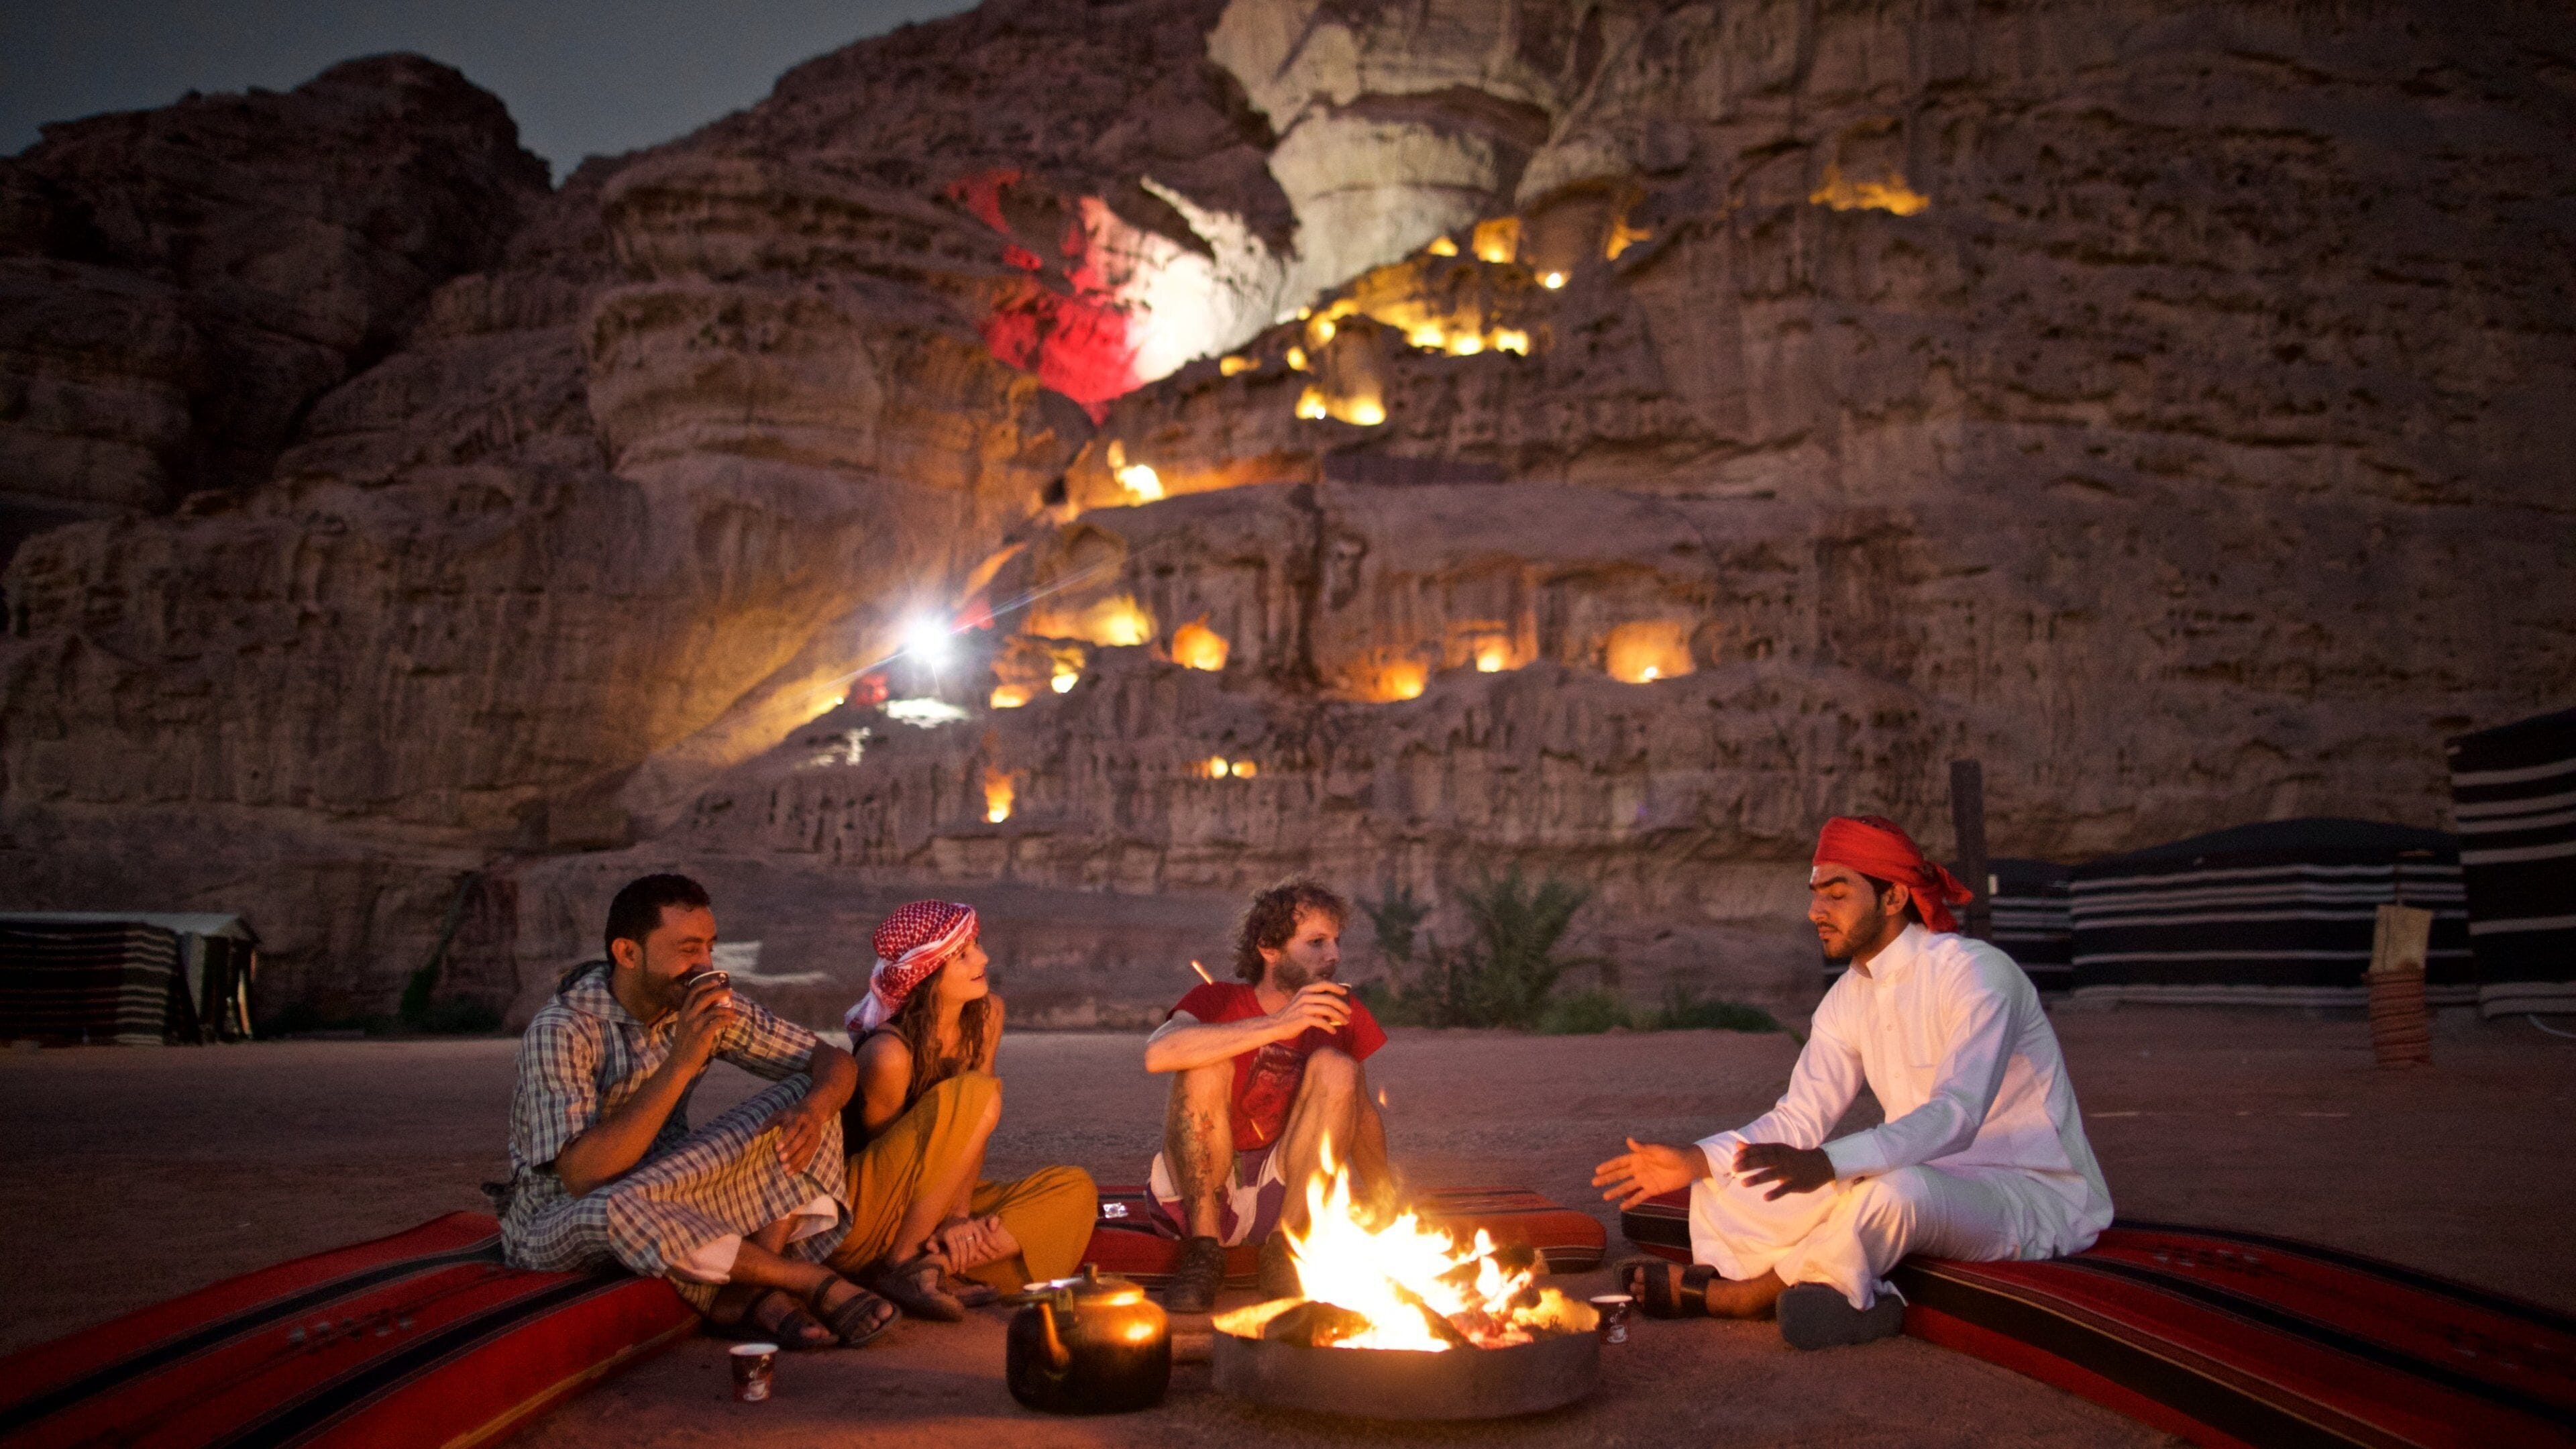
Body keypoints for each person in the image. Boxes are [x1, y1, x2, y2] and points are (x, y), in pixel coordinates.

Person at [1594, 816, 2114, 1350]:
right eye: (1816, 894)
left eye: (1837, 895)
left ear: (1893, 898)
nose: (1815, 912)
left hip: (2029, 1190)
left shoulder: (1977, 974)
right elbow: (1799, 1117)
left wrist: (1829, 1164)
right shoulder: (1849, 996)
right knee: (1736, 1187)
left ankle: (1743, 1296)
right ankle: (1847, 1286)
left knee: (1891, 1190)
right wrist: (1698, 1160)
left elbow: (1957, 1113)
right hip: (1926, 1174)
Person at [497, 874, 896, 1350]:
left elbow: (832, 1060)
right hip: (561, 1215)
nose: (705, 964)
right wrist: (681, 1060)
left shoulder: (701, 1003)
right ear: (627, 954)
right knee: (616, 1208)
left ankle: (752, 1288)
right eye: (688, 949)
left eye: (709, 947)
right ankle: (805, 1281)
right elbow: (585, 1177)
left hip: (670, 1186)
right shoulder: (562, 1031)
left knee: (807, 1094)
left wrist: (815, 1108)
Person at [828, 900, 1097, 1320]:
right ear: (926, 972)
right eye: (963, 954)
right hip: (865, 1220)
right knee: (972, 1092)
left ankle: (935, 1265)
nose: (983, 958)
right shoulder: (888, 1054)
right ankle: (900, 1267)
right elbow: (895, 1168)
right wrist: (940, 1220)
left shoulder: (987, 1015)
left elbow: (974, 1131)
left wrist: (960, 1214)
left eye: (977, 945)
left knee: (1073, 1189)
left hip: (930, 1211)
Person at [1143, 879, 1393, 1312]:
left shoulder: (1340, 1011)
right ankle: (1203, 1253)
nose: (1333, 956)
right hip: (1203, 1191)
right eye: (1316, 943)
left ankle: (1284, 1251)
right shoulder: (1216, 999)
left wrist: (1387, 1196)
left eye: (1336, 942)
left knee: (1338, 1068)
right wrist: (1282, 1025)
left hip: (1286, 1196)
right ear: (1268, 947)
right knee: (1206, 1060)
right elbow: (1158, 1054)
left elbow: (1360, 1112)